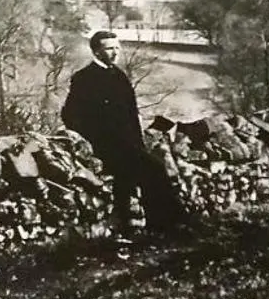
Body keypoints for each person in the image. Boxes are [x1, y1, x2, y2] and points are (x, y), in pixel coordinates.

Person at [60, 30, 191, 240]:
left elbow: (131, 114)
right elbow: (70, 115)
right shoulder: (84, 78)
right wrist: (92, 140)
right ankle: (170, 225)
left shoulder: (119, 76)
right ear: (96, 51)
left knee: (147, 170)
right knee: (154, 170)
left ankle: (160, 226)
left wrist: (138, 143)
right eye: (109, 48)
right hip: (105, 147)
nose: (115, 53)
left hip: (128, 145)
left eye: (117, 48)